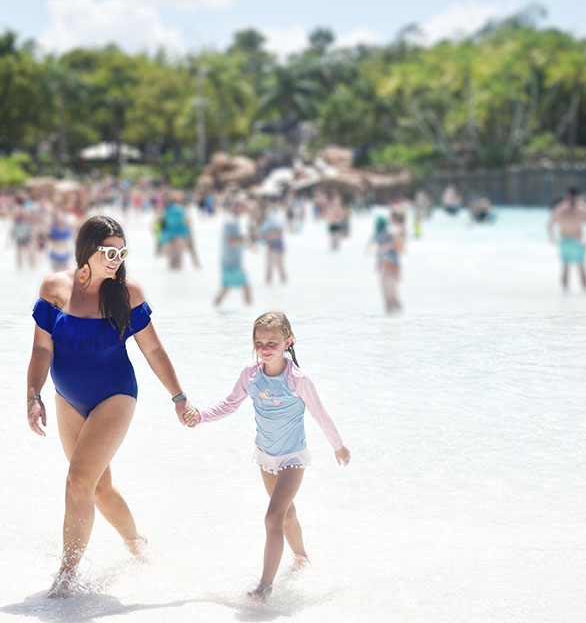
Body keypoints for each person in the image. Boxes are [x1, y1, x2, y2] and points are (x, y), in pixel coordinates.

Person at [26, 215, 197, 598]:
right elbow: (41, 347)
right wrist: (33, 395)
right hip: (66, 397)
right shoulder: (54, 288)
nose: (117, 258)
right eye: (109, 251)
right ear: (88, 251)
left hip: (115, 395)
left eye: (122, 252)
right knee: (99, 487)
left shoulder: (127, 293)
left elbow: (152, 348)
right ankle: (136, 543)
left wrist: (179, 396)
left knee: (78, 480)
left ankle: (66, 578)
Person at [181, 312, 350, 603]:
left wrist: (339, 446)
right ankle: (301, 558)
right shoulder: (250, 375)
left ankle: (264, 588)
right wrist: (201, 416)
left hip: (293, 458)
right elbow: (229, 404)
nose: (265, 347)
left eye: (272, 341)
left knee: (273, 517)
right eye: (259, 342)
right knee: (287, 514)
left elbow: (320, 414)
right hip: (265, 456)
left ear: (288, 341)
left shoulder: (298, 380)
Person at [547, 186, 586, 291]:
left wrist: (553, 239)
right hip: (577, 242)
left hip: (564, 242)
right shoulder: (583, 209)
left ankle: (564, 295)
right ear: (578, 196)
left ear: (566, 195)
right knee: (582, 270)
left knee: (565, 269)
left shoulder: (560, 208)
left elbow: (550, 225)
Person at [214, 199, 253, 307]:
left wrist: (247, 243)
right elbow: (231, 241)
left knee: (227, 288)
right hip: (231, 262)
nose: (245, 209)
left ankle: (214, 310)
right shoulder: (231, 222)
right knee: (245, 288)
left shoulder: (233, 220)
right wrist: (244, 239)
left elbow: (236, 240)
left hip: (231, 261)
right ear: (237, 207)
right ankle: (251, 314)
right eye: (243, 207)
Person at [371, 216, 404, 314]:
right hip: (388, 265)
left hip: (390, 265)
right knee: (387, 290)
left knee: (389, 290)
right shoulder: (386, 234)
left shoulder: (386, 235)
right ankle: (392, 310)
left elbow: (397, 247)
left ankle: (395, 310)